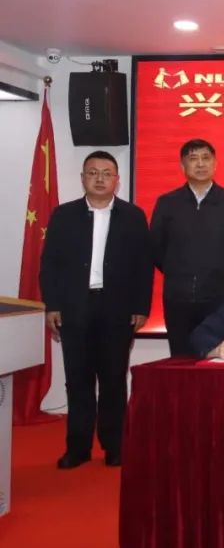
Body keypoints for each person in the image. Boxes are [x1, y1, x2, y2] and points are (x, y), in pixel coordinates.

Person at [40, 151, 153, 469]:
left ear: (117, 180)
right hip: (74, 306)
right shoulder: (64, 215)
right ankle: (78, 448)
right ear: (83, 178)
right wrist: (52, 305)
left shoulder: (133, 216)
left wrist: (140, 307)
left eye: (106, 173)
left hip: (117, 309)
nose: (100, 178)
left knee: (114, 379)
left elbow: (143, 266)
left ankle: (114, 446)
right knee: (78, 380)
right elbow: (49, 264)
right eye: (93, 172)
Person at [149, 139, 224, 357]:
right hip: (177, 298)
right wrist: (179, 270)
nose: (200, 164)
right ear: (183, 166)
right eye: (193, 159)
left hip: (219, 298)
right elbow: (156, 248)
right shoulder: (167, 202)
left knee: (218, 359)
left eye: (206, 158)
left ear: (215, 164)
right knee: (181, 360)